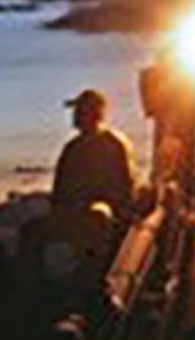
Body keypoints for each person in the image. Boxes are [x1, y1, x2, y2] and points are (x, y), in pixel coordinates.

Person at [20, 87, 141, 279]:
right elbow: (60, 191)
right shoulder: (72, 148)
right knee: (31, 230)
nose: (75, 115)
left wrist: (120, 214)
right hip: (74, 214)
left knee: (96, 216)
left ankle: (94, 275)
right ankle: (32, 283)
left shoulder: (113, 144)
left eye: (80, 110)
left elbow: (124, 188)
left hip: (103, 218)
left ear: (93, 112)